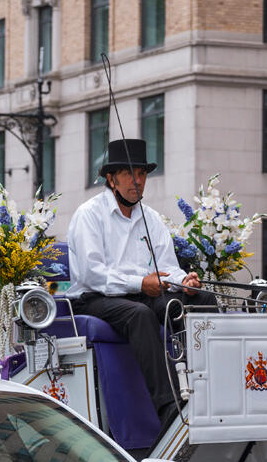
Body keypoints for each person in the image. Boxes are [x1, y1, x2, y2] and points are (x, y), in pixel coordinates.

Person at [67, 137, 213, 430]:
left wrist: (183, 281)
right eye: (130, 174)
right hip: (94, 298)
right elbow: (92, 274)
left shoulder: (151, 217)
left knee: (201, 301)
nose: (138, 181)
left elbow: (167, 267)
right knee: (140, 315)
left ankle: (208, 389)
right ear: (111, 179)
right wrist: (139, 283)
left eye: (143, 174)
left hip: (141, 294)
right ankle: (169, 408)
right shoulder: (89, 214)